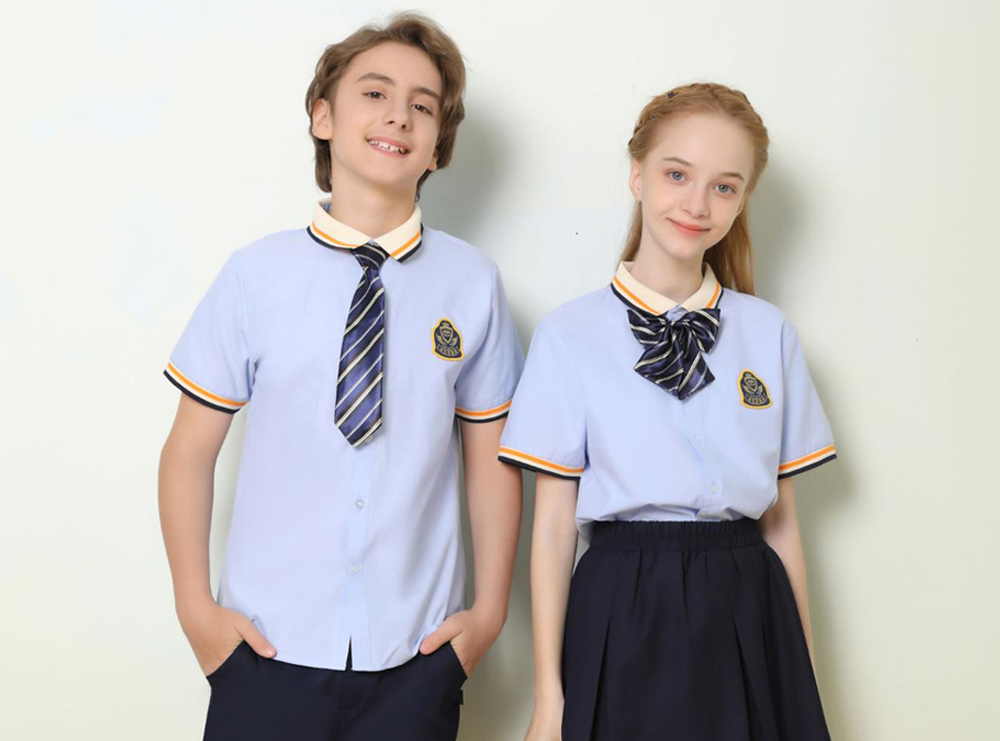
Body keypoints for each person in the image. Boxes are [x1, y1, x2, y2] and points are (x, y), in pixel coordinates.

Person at [158, 12, 524, 740]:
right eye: (375, 94)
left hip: (415, 655)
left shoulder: (472, 284)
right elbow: (188, 453)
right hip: (265, 650)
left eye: (422, 106)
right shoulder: (257, 275)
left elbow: (491, 461)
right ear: (323, 118)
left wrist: (487, 615)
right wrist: (197, 613)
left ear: (438, 146)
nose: (398, 116)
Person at [501, 82, 837, 740]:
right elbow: (553, 528)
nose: (697, 204)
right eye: (677, 174)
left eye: (724, 186)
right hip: (621, 605)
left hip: (748, 601)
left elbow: (783, 523)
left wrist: (802, 679)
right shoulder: (570, 335)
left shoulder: (769, 333)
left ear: (743, 199)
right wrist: (549, 696)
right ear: (638, 174)